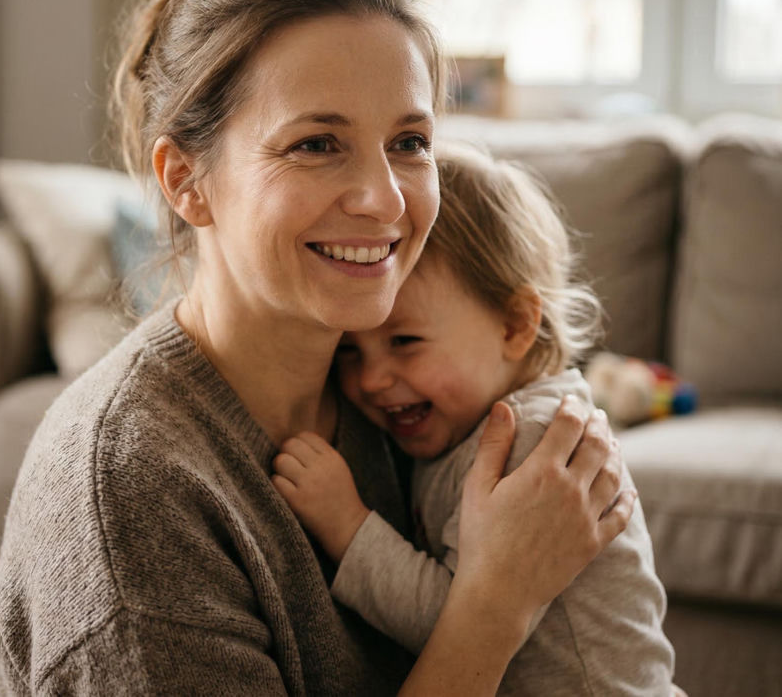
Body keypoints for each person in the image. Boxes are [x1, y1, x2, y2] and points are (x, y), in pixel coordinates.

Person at [0, 0, 633, 696]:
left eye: (409, 142)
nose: (385, 199)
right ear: (186, 182)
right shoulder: (132, 498)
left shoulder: (397, 402)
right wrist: (494, 606)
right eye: (318, 143)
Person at [273, 146, 676, 694]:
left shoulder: (532, 444)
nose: (371, 380)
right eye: (350, 351)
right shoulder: (469, 421)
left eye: (405, 342)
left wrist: (348, 526)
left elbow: (457, 625)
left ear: (514, 326)